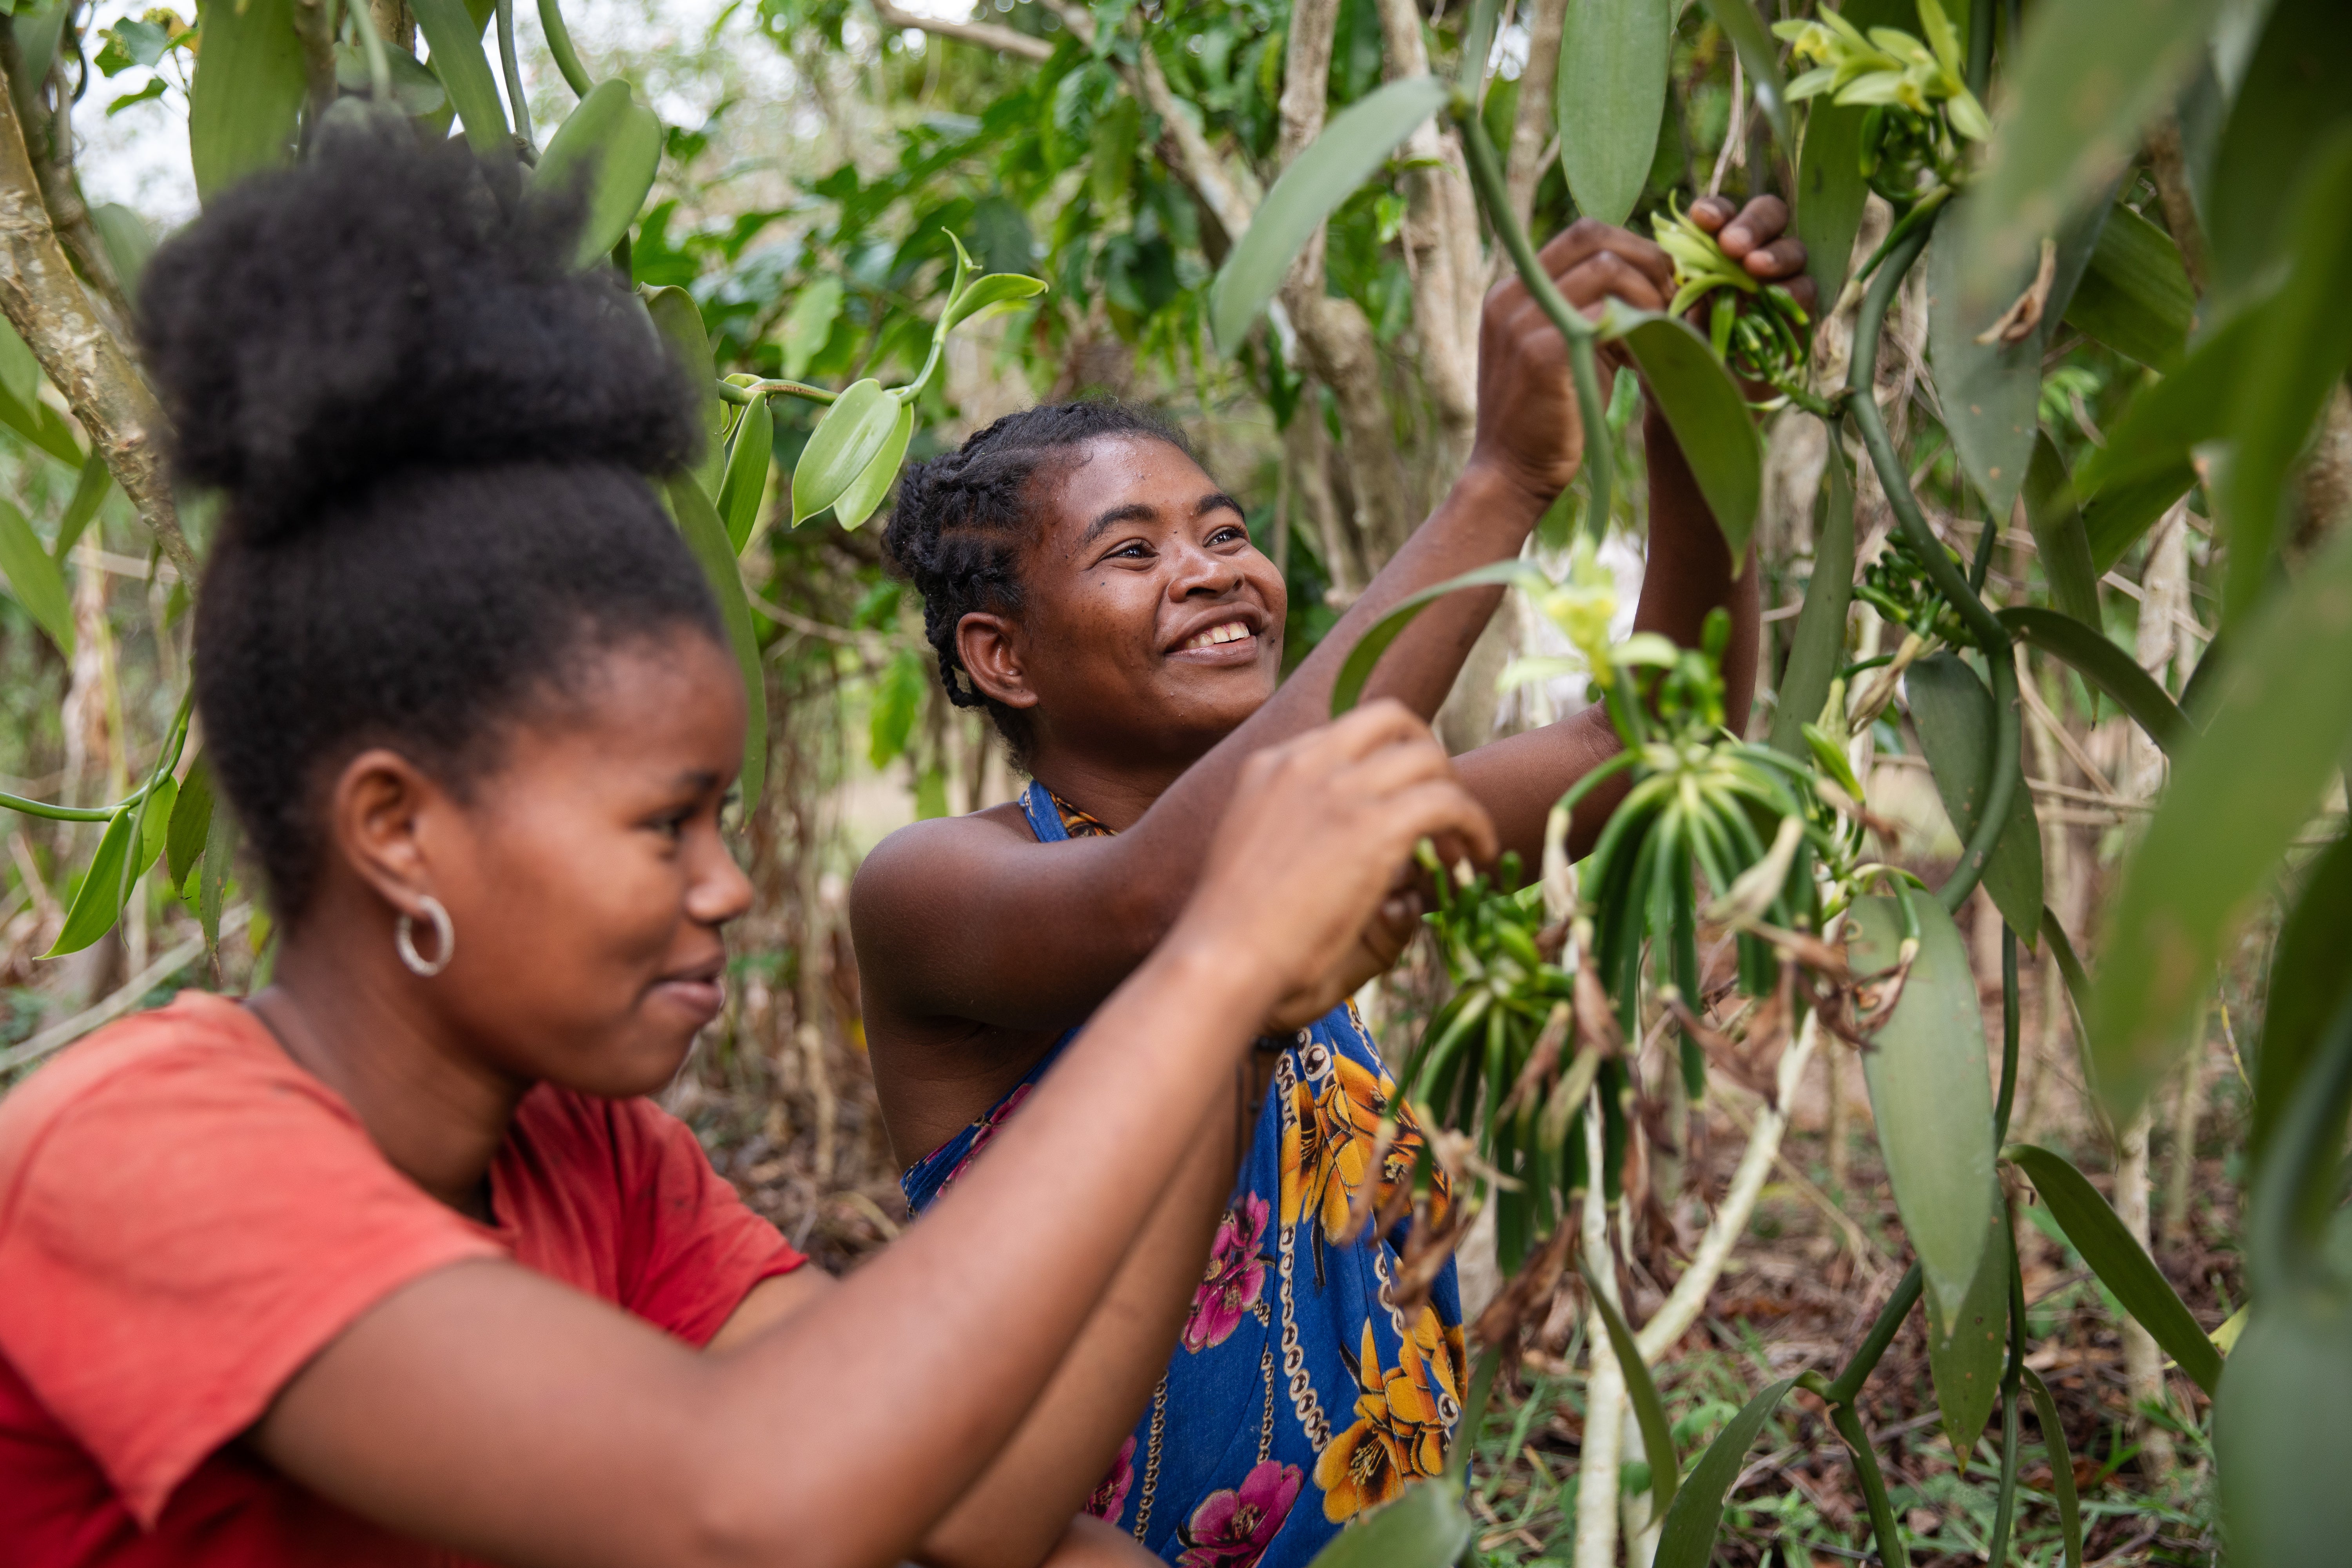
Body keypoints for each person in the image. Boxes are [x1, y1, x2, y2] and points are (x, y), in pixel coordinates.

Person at [0, 134, 1501, 1568]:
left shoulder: (598, 1167)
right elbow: (754, 1501)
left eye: (722, 818)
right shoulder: (143, 1151)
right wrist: (1220, 960)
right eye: (665, 826)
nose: (728, 886)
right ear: (399, 831)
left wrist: (1233, 1016)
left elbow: (977, 1514)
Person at [855, 200, 1813, 1567]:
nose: (1215, 573)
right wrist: (1499, 481)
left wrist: (1698, 430)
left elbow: (1650, 741)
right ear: (1005, 659)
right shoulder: (939, 888)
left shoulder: (1332, 835)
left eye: (1226, 532)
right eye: (1133, 553)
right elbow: (1168, 905)